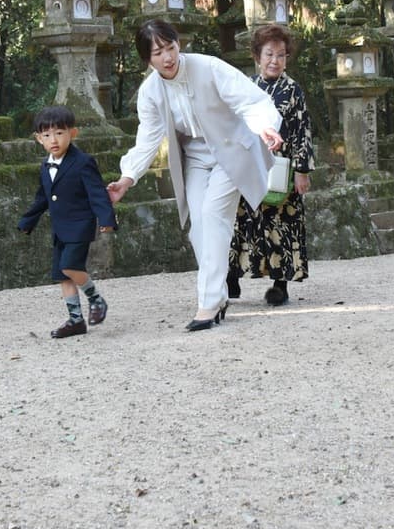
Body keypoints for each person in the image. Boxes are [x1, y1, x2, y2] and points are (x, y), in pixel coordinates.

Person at [107, 20, 283, 331]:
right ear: (147, 59)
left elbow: (252, 100)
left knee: (214, 214)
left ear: (179, 45)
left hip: (231, 148)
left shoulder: (209, 66)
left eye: (171, 48)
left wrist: (264, 126)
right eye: (158, 52)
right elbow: (148, 137)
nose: (167, 57)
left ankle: (208, 303)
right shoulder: (149, 92)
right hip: (196, 157)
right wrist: (127, 178)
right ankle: (220, 295)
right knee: (198, 225)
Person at [228, 23, 315, 306]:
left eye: (280, 55)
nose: (274, 61)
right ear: (257, 56)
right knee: (241, 222)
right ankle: (232, 274)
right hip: (249, 165)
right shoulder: (247, 87)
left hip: (283, 168)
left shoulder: (293, 90)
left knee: (284, 223)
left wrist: (302, 170)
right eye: (269, 54)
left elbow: (303, 130)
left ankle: (281, 283)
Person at [17, 106, 118, 337]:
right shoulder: (45, 165)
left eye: (59, 133)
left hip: (80, 225)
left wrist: (106, 219)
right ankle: (75, 320)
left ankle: (96, 299)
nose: (54, 140)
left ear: (73, 133)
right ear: (38, 139)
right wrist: (27, 221)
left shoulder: (83, 162)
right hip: (59, 229)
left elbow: (97, 193)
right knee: (63, 276)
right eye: (47, 135)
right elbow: (43, 197)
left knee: (70, 267)